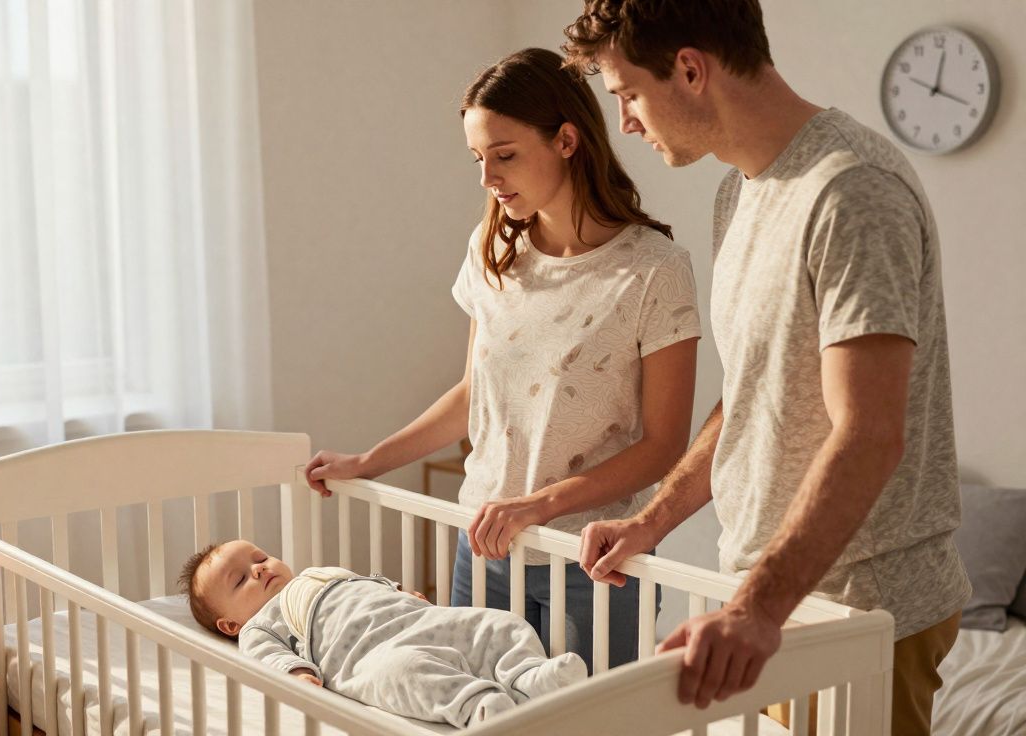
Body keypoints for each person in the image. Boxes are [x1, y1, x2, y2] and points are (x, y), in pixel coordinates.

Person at [562, 2, 970, 733]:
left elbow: (870, 432)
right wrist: (651, 521)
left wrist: (755, 610)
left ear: (690, 69)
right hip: (780, 600)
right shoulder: (738, 194)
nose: (624, 121)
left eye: (626, 93)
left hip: (866, 611)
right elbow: (755, 396)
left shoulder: (852, 190)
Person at [304, 47, 702, 669]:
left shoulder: (655, 271)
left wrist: (540, 505)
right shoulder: (494, 252)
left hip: (593, 561)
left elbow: (664, 444)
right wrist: (370, 460)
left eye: (505, 155)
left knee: (587, 722)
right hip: (485, 551)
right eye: (477, 159)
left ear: (567, 139)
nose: (487, 178)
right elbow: (472, 396)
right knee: (482, 711)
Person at [179, 540, 588, 727]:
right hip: (367, 657)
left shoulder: (316, 573)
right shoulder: (258, 627)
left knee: (499, 623)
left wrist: (398, 591)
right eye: (240, 580)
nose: (260, 569)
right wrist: (297, 676)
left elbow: (366, 583)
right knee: (407, 673)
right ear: (230, 625)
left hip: (418, 620)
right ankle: (480, 707)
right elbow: (270, 659)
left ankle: (527, 675)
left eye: (260, 557)